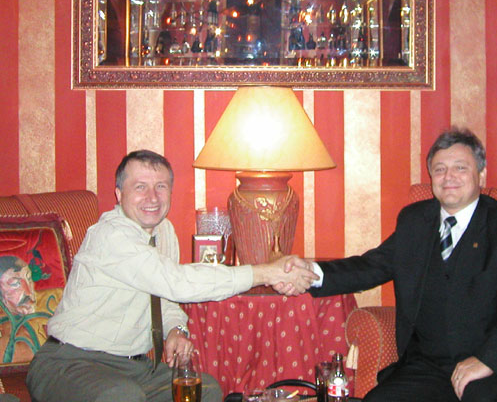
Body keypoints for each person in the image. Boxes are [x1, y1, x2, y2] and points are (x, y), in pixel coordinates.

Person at [27, 149, 317, 402]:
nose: (152, 197)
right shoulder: (111, 235)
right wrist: (265, 272)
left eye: (161, 187)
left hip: (133, 369)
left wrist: (176, 330)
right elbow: (176, 282)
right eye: (140, 187)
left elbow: (164, 298)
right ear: (119, 194)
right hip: (69, 363)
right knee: (122, 396)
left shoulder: (163, 231)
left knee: (206, 390)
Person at [299, 127, 497, 402]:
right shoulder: (414, 221)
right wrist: (308, 273)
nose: (449, 177)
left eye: (460, 168)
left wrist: (487, 359)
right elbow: (371, 266)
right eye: (440, 169)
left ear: (481, 175)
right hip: (430, 366)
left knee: (479, 398)